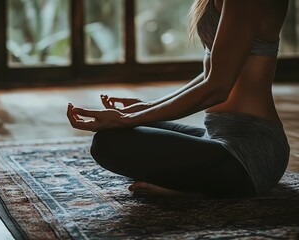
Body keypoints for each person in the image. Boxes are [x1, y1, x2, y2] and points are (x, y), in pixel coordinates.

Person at [67, 0, 290, 198]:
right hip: (215, 136)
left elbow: (217, 88)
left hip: (249, 155)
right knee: (119, 131)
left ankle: (192, 191)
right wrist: (144, 109)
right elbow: (213, 73)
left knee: (109, 143)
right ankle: (193, 183)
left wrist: (127, 118)